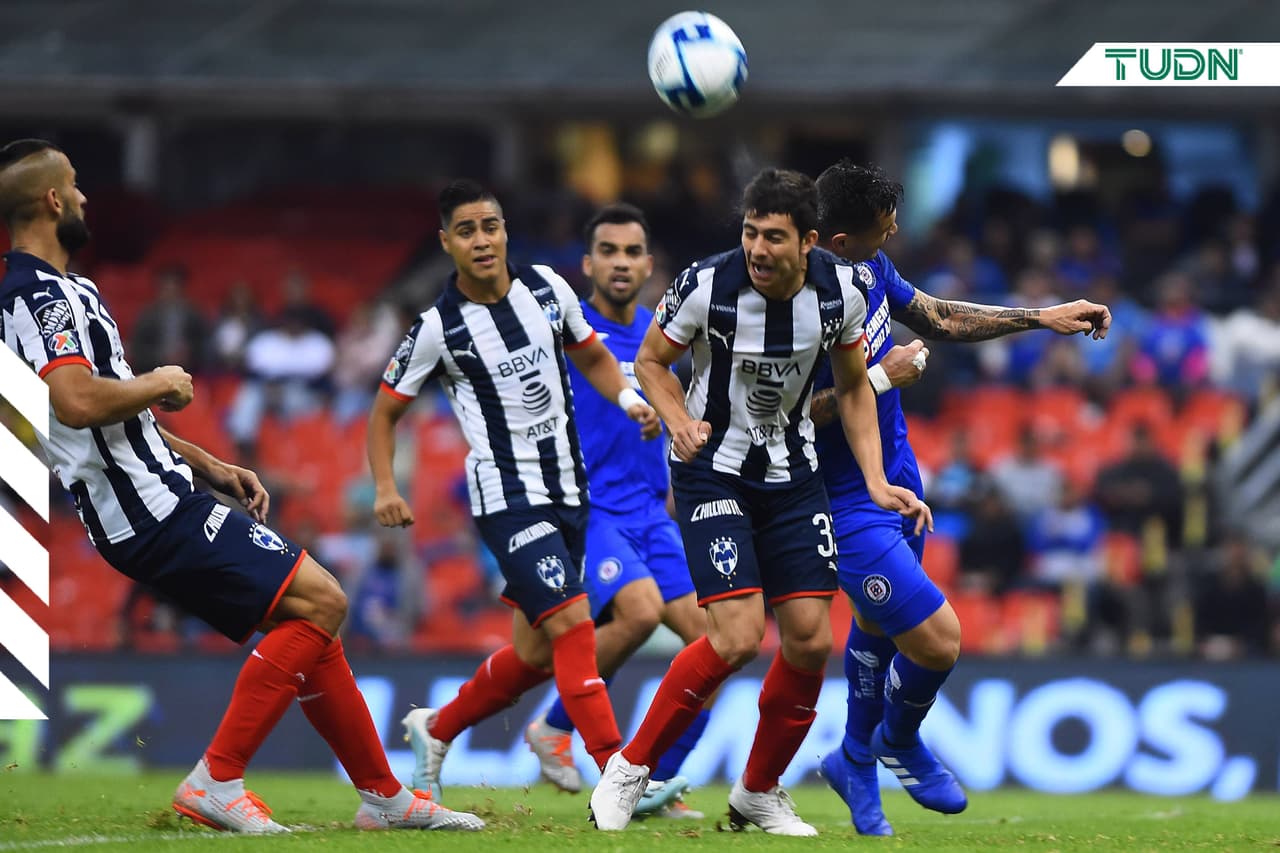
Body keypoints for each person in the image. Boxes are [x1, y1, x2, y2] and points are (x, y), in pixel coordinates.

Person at [0, 138, 482, 833]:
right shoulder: (35, 294)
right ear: (51, 201)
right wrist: (160, 380)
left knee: (311, 621)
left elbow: (105, 419)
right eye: (73, 186)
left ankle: (383, 796)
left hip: (161, 491)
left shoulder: (66, 287)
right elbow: (76, 403)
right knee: (322, 599)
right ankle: (217, 778)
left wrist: (207, 460)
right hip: (146, 510)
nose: (82, 197)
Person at [588, 167, 931, 836]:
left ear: (809, 242)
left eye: (774, 237)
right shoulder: (706, 284)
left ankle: (758, 792)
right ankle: (629, 768)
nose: (758, 250)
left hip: (794, 475)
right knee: (738, 636)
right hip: (712, 471)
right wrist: (678, 419)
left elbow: (856, 386)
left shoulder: (841, 294)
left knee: (808, 640)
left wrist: (873, 478)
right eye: (750, 233)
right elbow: (654, 361)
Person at [808, 160, 1111, 835]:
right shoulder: (797, 308)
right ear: (837, 241)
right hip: (839, 499)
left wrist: (1041, 316)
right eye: (881, 234)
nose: (889, 243)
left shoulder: (870, 272)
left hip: (897, 480)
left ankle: (855, 757)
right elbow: (787, 418)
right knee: (940, 642)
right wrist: (883, 378)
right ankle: (896, 738)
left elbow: (938, 317)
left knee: (878, 623)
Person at [368, 179, 652, 801]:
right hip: (506, 497)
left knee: (533, 655)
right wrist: (387, 486)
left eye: (490, 226)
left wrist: (631, 399)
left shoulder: (548, 287)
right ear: (447, 243)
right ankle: (618, 773)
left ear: (504, 231)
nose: (482, 240)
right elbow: (384, 411)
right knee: (576, 623)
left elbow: (593, 355)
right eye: (466, 231)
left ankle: (436, 729)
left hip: (570, 493)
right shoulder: (438, 328)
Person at [523, 203, 709, 819]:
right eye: (609, 251)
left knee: (715, 644)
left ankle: (653, 784)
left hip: (655, 514)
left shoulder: (662, 336)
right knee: (640, 611)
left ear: (650, 264)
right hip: (593, 509)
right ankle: (553, 725)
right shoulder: (568, 339)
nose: (622, 262)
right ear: (588, 263)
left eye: (633, 252)